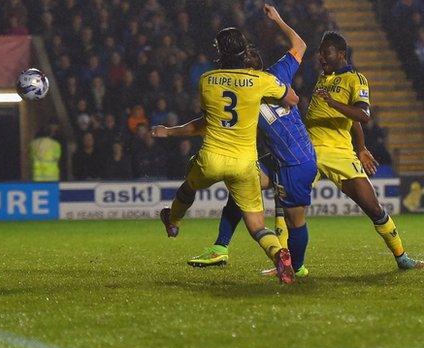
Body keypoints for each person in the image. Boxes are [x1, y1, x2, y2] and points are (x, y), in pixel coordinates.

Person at [155, 5, 317, 277]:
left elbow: (205, 123)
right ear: (246, 55)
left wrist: (169, 132)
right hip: (246, 162)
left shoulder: (206, 81)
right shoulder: (263, 80)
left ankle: (173, 221)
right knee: (257, 225)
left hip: (213, 158)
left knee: (189, 187)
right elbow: (292, 99)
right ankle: (280, 254)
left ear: (220, 53)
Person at [307, 31, 423, 269]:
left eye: (325, 52)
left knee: (373, 208)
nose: (321, 57)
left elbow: (362, 115)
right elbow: (354, 122)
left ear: (341, 54)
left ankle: (402, 257)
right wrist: (361, 147)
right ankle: (285, 263)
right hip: (310, 151)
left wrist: (333, 104)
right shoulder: (324, 77)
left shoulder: (356, 79)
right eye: (319, 52)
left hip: (339, 153)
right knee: (289, 203)